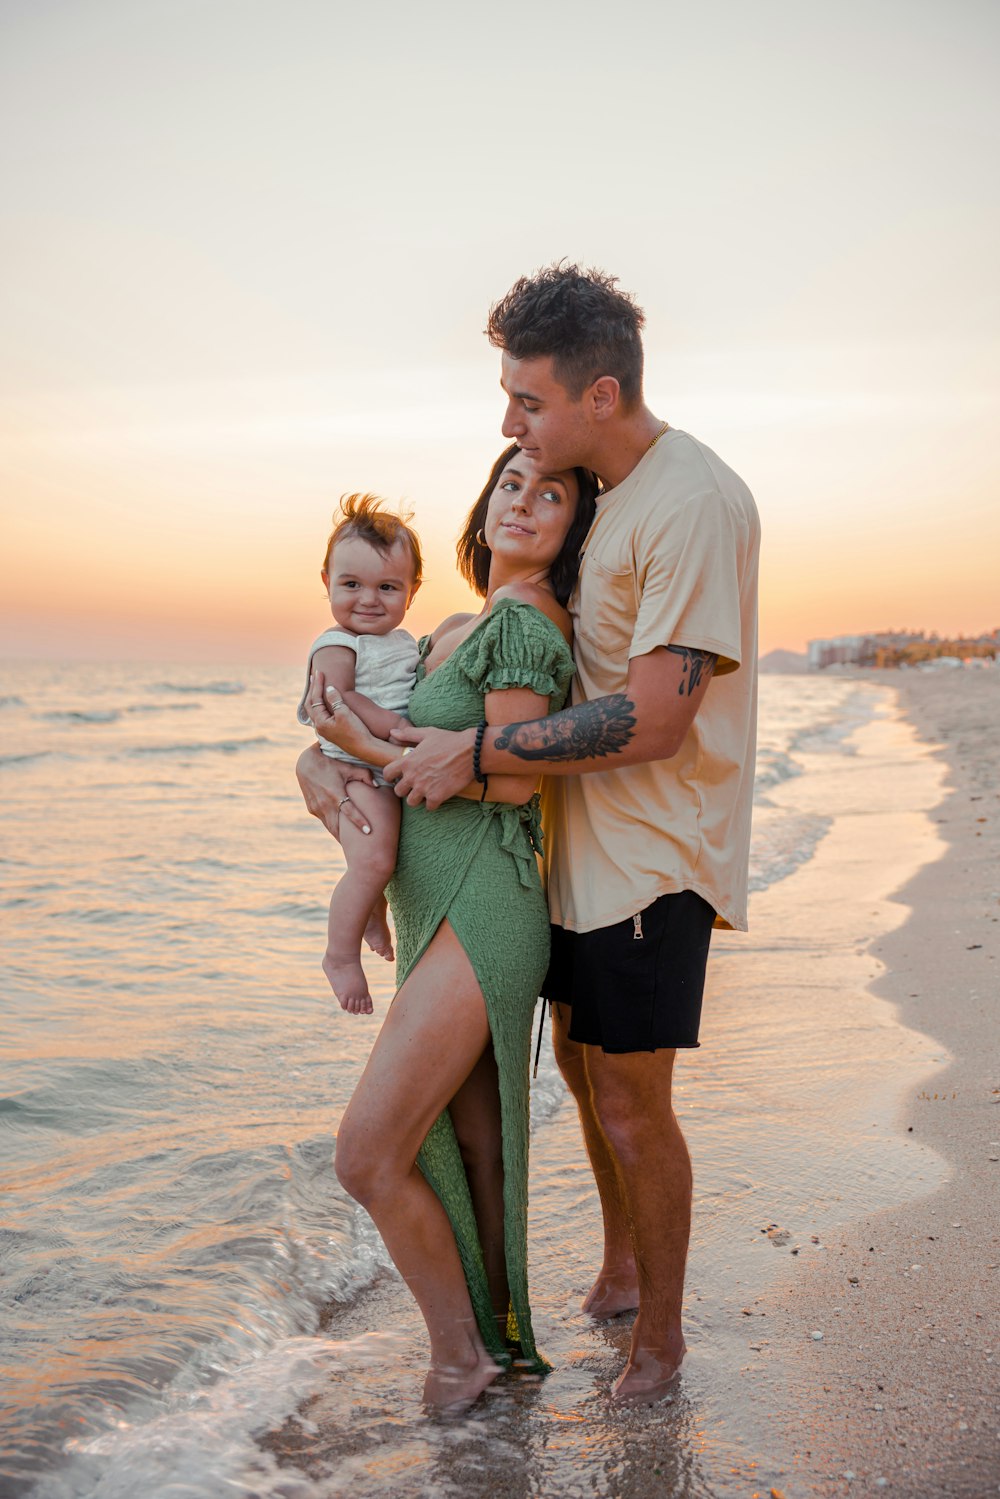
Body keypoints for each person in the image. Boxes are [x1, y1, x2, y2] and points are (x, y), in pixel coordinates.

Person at [383, 264, 760, 1404]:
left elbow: (653, 717)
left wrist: (479, 755)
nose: (509, 425)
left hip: (654, 854)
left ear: (600, 392)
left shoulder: (688, 501)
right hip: (576, 853)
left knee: (637, 1108)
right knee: (590, 1085)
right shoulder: (606, 495)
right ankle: (621, 1263)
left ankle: (663, 1344)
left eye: (528, 401)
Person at [298, 445, 599, 1409]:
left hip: (484, 899)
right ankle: (499, 1350)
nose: (522, 500)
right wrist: (320, 776)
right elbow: (402, 754)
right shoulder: (459, 624)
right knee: (467, 1150)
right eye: (511, 482)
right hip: (437, 903)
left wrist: (344, 745)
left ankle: (456, 1354)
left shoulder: (523, 624)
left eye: (550, 494)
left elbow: (510, 774)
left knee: (367, 1153)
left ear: (574, 530)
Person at [297, 493, 422, 1014]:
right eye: (351, 585)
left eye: (387, 587)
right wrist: (397, 727)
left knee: (377, 863)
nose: (368, 599)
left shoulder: (404, 642)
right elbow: (338, 699)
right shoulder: (336, 643)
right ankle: (340, 955)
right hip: (356, 774)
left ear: (412, 592)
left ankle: (371, 910)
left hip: (378, 767)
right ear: (326, 581)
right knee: (373, 859)